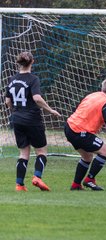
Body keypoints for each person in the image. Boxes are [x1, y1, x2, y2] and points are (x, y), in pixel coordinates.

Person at [5, 51, 61, 192]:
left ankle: (19, 185)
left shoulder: (12, 79)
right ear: (32, 62)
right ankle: (37, 177)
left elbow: (7, 101)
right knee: (41, 151)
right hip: (32, 120)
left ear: (18, 62)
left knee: (23, 154)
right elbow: (37, 98)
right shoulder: (33, 79)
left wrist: (16, 112)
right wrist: (50, 110)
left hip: (17, 119)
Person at [65, 78, 106, 191]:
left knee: (87, 157)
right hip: (80, 131)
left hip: (69, 127)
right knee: (104, 151)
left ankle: (76, 185)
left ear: (102, 87)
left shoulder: (92, 95)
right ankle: (90, 179)